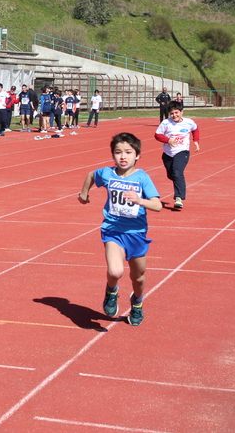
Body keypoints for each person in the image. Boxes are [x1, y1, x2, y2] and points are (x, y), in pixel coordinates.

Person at [78, 133, 162, 326]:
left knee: (138, 277)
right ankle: (111, 291)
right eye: (118, 152)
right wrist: (84, 195)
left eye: (128, 152)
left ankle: (137, 303)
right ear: (113, 155)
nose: (123, 156)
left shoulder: (142, 178)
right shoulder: (107, 174)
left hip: (136, 234)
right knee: (115, 271)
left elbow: (157, 205)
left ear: (137, 155)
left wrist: (139, 200)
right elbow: (91, 175)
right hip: (112, 230)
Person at [154, 101, 199, 209]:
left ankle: (179, 198)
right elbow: (157, 135)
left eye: (176, 113)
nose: (174, 115)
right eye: (172, 113)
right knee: (171, 175)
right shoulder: (165, 123)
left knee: (177, 172)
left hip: (182, 152)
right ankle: (179, 184)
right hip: (168, 153)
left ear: (181, 112)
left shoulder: (189, 122)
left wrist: (196, 141)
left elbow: (195, 129)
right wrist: (167, 140)